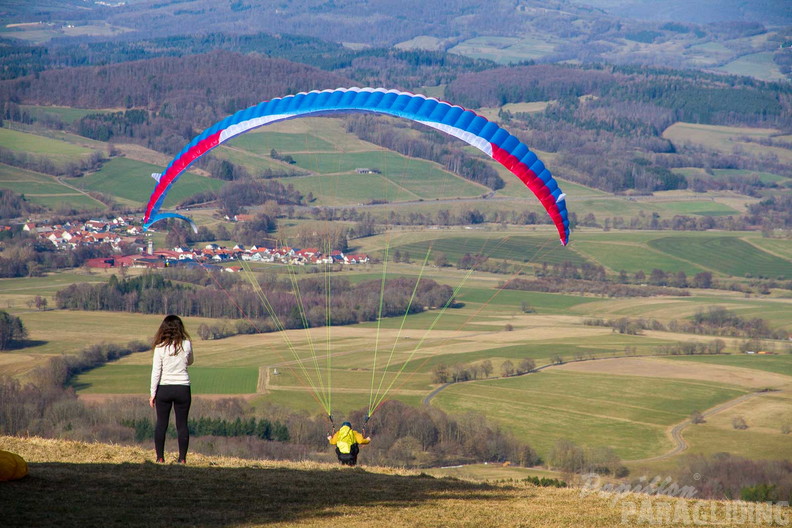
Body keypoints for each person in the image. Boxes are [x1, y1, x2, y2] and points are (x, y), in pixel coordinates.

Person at [149, 314, 194, 464]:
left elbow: (156, 372)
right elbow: (191, 361)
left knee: (161, 424)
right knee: (182, 424)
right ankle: (182, 459)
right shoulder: (186, 344)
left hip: (164, 389)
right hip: (183, 388)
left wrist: (152, 393)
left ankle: (160, 457)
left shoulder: (160, 348)